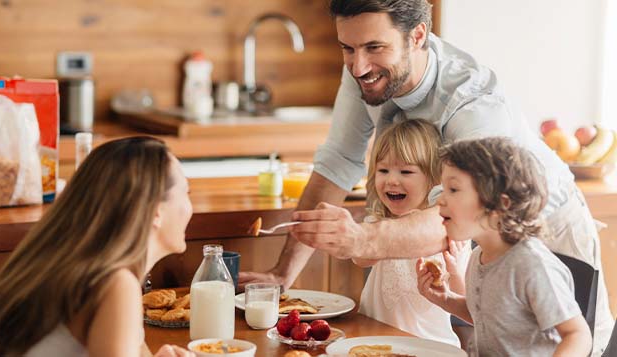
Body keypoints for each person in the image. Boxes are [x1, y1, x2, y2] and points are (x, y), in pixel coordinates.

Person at [239, 0, 613, 353]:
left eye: (373, 47)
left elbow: (461, 211)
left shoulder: (473, 101)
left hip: (545, 229)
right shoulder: (363, 69)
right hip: (477, 236)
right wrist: (282, 274)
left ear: (417, 36)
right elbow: (338, 162)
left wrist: (361, 237)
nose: (357, 67)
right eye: (347, 49)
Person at [0, 137, 195, 357]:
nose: (190, 206)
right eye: (186, 192)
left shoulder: (65, 261)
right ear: (155, 212)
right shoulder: (116, 284)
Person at [417, 137, 592, 356]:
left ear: (500, 204)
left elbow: (577, 334)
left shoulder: (532, 266)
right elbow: (488, 318)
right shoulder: (478, 256)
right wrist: (446, 299)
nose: (440, 200)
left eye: (453, 189)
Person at [355, 118, 470, 346]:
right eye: (383, 170)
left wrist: (455, 272)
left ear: (435, 179)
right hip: (375, 341)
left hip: (430, 345)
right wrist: (384, 239)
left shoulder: (451, 231)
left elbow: (466, 301)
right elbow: (359, 258)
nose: (391, 180)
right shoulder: (379, 223)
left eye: (406, 172)